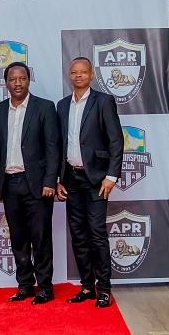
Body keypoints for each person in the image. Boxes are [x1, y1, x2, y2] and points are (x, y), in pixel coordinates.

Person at [0, 61, 61, 305]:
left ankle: (45, 288)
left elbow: (53, 147)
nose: (17, 83)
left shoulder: (45, 107)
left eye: (22, 78)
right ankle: (25, 286)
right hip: (9, 184)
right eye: (12, 79)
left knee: (40, 238)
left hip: (38, 185)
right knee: (18, 238)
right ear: (5, 83)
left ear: (29, 80)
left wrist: (50, 181)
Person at [56, 57, 124, 308]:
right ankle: (86, 286)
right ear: (69, 75)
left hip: (96, 179)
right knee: (78, 234)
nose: (78, 76)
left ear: (92, 75)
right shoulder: (62, 105)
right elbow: (59, 145)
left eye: (83, 72)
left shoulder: (103, 101)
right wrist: (58, 179)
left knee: (97, 234)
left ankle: (104, 288)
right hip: (71, 179)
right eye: (74, 72)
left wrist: (111, 176)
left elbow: (116, 140)